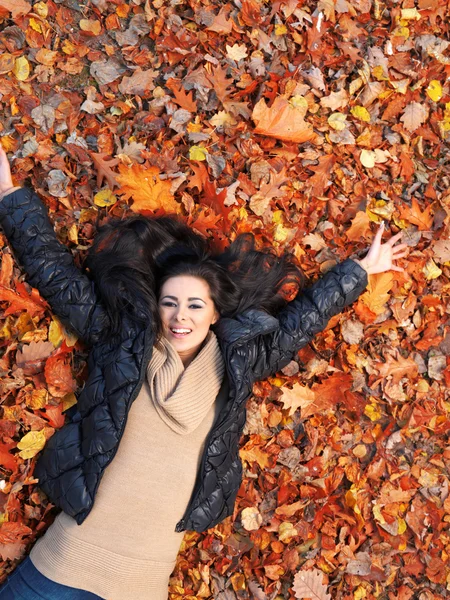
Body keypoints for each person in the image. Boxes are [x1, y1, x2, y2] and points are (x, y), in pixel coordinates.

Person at [0, 144, 408, 599]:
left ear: (214, 314)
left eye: (195, 305)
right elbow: (56, 277)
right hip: (61, 567)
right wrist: (8, 194)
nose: (180, 316)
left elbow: (301, 322)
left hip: (142, 584)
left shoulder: (238, 364)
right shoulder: (122, 344)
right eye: (169, 303)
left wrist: (358, 272)